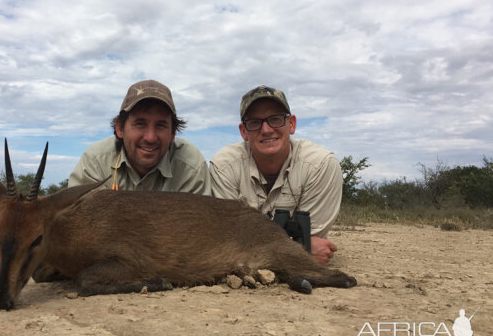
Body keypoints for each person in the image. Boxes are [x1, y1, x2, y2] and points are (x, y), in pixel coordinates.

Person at [209, 85, 343, 265]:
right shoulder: (223, 166)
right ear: (243, 132)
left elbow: (314, 241)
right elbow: (226, 241)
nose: (266, 130)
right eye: (255, 122)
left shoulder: (321, 165)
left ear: (291, 124)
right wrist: (299, 250)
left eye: (275, 119)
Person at [68, 79, 211, 195]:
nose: (150, 138)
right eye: (140, 124)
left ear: (173, 133)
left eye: (161, 125)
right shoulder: (95, 162)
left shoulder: (191, 166)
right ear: (119, 128)